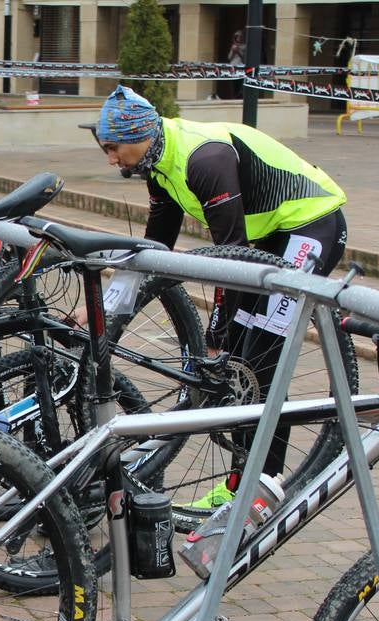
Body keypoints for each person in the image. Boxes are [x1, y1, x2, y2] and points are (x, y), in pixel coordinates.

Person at [94, 84, 347, 503]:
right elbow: (153, 251)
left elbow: (227, 260)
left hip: (309, 226)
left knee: (262, 358)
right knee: (242, 364)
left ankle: (262, 486)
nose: (110, 159)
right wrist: (103, 307)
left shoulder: (203, 159)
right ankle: (239, 482)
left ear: (140, 135)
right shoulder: (158, 162)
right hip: (265, 238)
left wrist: (214, 339)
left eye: (114, 148)